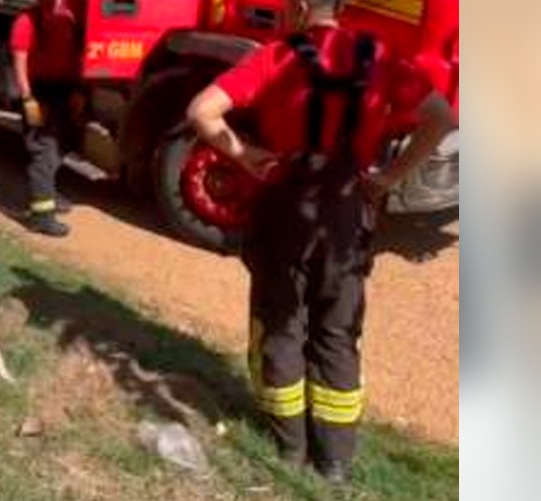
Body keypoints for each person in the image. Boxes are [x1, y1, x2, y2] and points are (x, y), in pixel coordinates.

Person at [186, 0, 456, 483]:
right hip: (346, 210)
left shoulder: (276, 56)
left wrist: (246, 155)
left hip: (284, 207)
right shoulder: (382, 56)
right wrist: (390, 176)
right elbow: (440, 118)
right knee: (336, 328)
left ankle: (287, 445)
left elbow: (202, 111)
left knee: (280, 320)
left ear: (302, 7)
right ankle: (334, 462)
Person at [10, 0, 84, 237]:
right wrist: (28, 99)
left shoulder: (70, 17)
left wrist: (77, 91)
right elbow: (19, 65)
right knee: (43, 150)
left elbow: (76, 55)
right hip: (38, 92)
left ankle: (48, 193)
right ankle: (42, 216)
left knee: (64, 142)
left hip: (63, 89)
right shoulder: (26, 22)